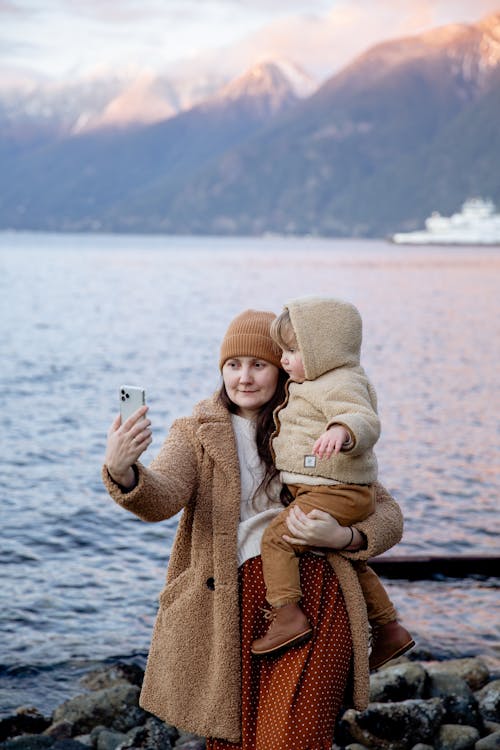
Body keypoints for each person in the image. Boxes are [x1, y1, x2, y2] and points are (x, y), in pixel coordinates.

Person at [102, 309, 405, 750]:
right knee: (234, 741)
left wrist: (344, 538)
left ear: (282, 367)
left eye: (258, 364)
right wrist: (123, 470)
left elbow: (387, 514)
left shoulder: (317, 425)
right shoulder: (196, 431)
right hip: (227, 608)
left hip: (316, 598)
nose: (243, 377)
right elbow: (161, 498)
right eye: (232, 364)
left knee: (294, 739)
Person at [252, 297, 414, 671]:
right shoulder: (314, 382)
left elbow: (363, 418)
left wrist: (343, 430)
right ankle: (389, 628)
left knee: (277, 539)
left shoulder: (340, 381)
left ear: (324, 350)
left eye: (293, 350)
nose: (284, 359)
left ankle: (287, 615)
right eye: (281, 351)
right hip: (327, 489)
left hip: (335, 491)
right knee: (345, 560)